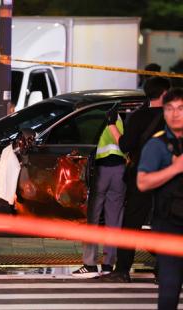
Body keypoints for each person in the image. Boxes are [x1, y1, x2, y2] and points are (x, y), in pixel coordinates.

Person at [102, 76, 171, 282]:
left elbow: (125, 146)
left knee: (131, 223)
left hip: (141, 177)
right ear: (165, 94)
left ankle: (122, 270)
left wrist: (112, 124)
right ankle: (164, 270)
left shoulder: (138, 116)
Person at [137, 87, 183, 310]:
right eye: (170, 108)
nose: (175, 114)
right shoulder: (157, 145)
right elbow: (142, 182)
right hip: (169, 225)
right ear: (163, 112)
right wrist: (174, 169)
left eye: (181, 108)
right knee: (170, 288)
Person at [72, 108, 126, 278]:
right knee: (114, 219)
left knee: (93, 218)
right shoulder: (120, 119)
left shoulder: (91, 118)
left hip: (101, 171)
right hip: (120, 170)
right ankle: (109, 264)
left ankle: (90, 264)